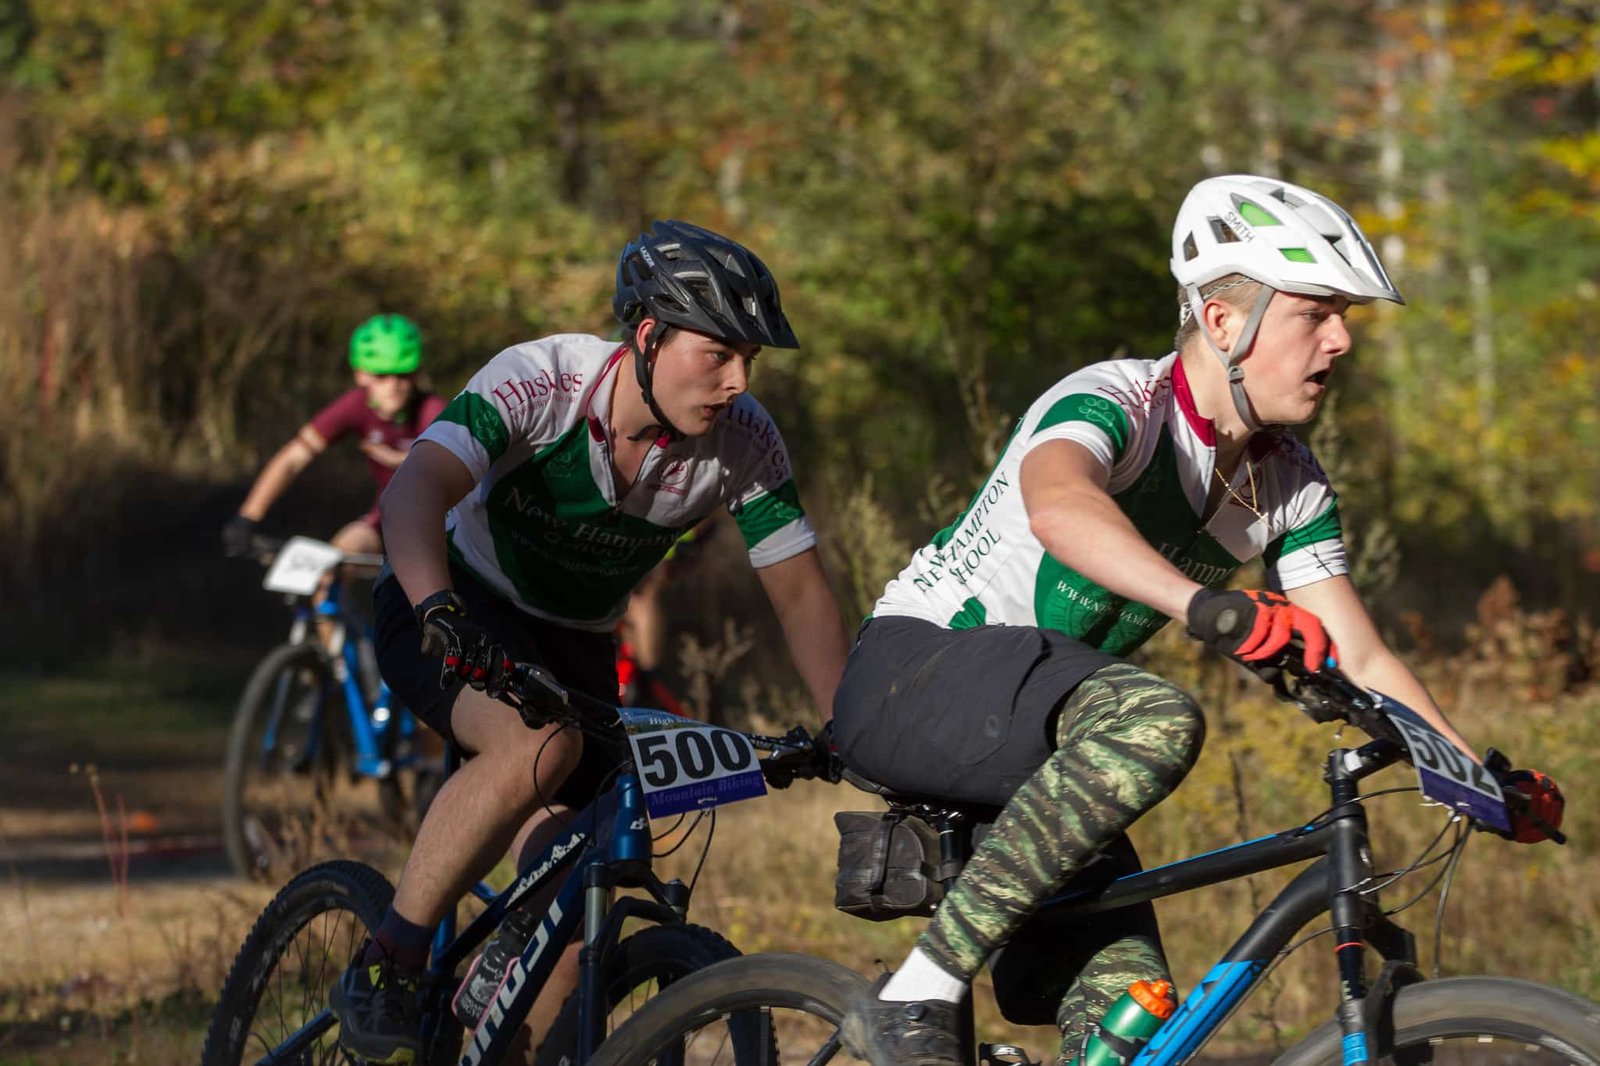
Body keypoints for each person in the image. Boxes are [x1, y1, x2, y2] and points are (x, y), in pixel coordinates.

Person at [831, 175, 1566, 1066]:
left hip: (1034, 751)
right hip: (915, 677)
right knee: (1158, 717)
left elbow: (1361, 653)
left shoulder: (1287, 480)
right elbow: (1059, 506)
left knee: (1135, 1027)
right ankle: (915, 990)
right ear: (1224, 324)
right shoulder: (1118, 403)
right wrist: (1203, 606)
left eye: (1345, 317)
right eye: (1316, 313)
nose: (1341, 340)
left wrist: (1478, 780)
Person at [331, 220, 851, 1063]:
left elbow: (798, 593)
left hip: (573, 643)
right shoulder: (544, 381)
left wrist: (847, 723)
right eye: (717, 353)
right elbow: (412, 494)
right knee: (539, 744)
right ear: (647, 336)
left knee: (591, 893)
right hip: (450, 598)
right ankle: (390, 957)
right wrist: (438, 609)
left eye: (750, 359)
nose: (738, 380)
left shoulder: (744, 442)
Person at [222, 313, 447, 561]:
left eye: (402, 375)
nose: (392, 385)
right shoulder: (354, 405)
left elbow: (437, 465)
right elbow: (293, 458)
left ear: (415, 374)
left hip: (441, 523)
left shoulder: (433, 410)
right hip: (386, 518)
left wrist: (395, 458)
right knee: (331, 565)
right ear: (361, 374)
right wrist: (248, 516)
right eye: (381, 375)